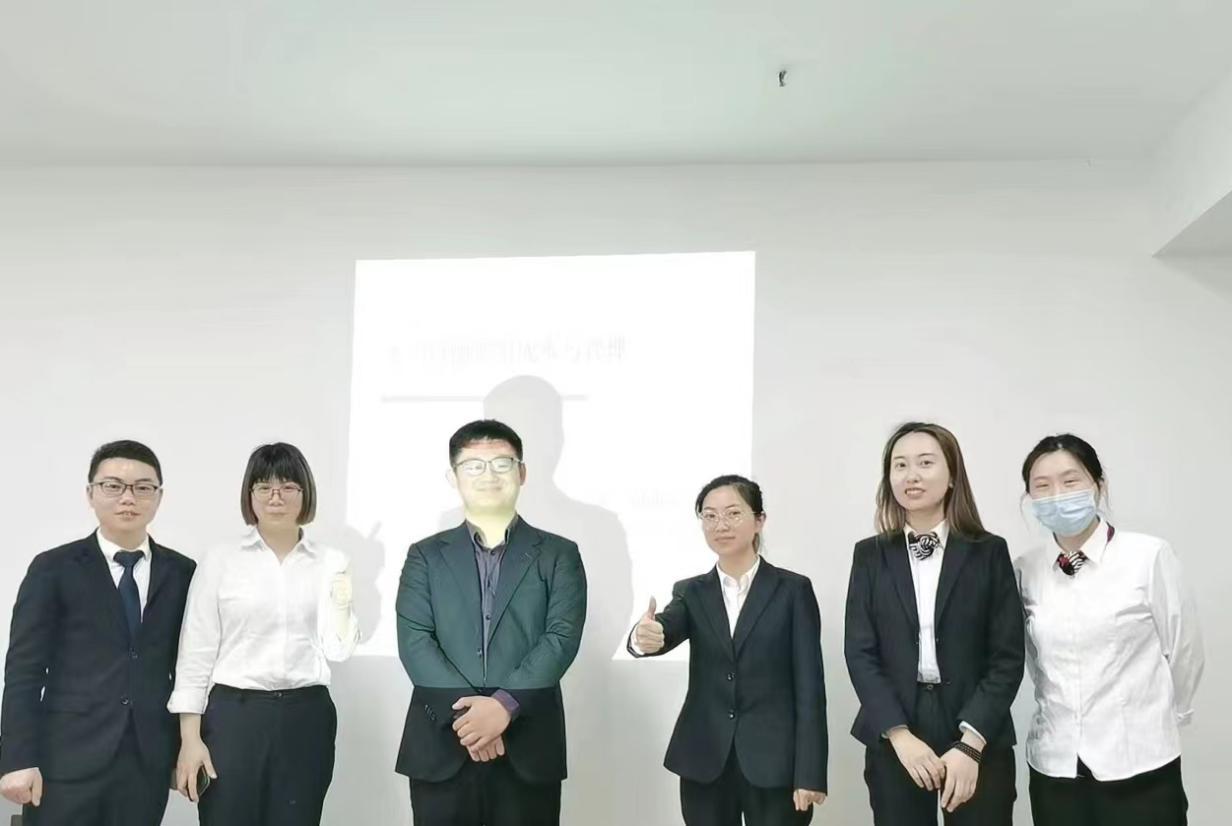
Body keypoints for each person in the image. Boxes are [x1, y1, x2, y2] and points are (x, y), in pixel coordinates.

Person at [396, 419, 587, 826]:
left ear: (522, 473)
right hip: (442, 746)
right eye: (474, 466)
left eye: (502, 464)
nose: (489, 476)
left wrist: (504, 706)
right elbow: (415, 640)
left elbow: (561, 637)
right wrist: (469, 720)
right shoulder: (425, 555)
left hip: (527, 746)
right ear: (453, 477)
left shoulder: (559, 554)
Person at [0, 440, 196, 825]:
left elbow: (189, 667)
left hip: (146, 761)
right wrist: (17, 758)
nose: (128, 498)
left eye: (143, 487)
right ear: (90, 494)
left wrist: (183, 747)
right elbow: (24, 670)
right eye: (113, 486)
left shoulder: (182, 573)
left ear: (159, 497)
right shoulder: (53, 568)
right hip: (66, 759)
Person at [1016, 433, 1203, 826]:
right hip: (1056, 764)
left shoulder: (1147, 556)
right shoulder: (1025, 570)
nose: (1057, 495)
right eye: (1042, 486)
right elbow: (1032, 659)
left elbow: (1183, 650)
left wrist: (1165, 717)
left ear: (1098, 485)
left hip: (1140, 760)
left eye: (1070, 481)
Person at [169, 442, 358, 826]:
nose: (276, 497)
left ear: (304, 493)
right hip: (234, 717)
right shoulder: (221, 560)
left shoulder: (330, 561)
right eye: (264, 487)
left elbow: (338, 650)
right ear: (250, 494)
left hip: (306, 714)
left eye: (288, 486)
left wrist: (341, 606)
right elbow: (195, 653)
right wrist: (190, 739)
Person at [844, 422, 1023, 825]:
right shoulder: (869, 555)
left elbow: (1007, 656)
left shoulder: (989, 552)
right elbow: (860, 652)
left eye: (925, 463)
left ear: (952, 474)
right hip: (897, 726)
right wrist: (899, 735)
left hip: (977, 724)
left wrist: (971, 744)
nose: (912, 475)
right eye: (900, 465)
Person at [629, 474, 827, 825]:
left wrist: (810, 772)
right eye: (710, 516)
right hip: (704, 759)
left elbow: (810, 688)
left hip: (775, 763)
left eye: (733, 513)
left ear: (759, 520)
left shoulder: (793, 590)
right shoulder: (691, 592)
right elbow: (665, 627)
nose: (720, 524)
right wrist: (644, 636)